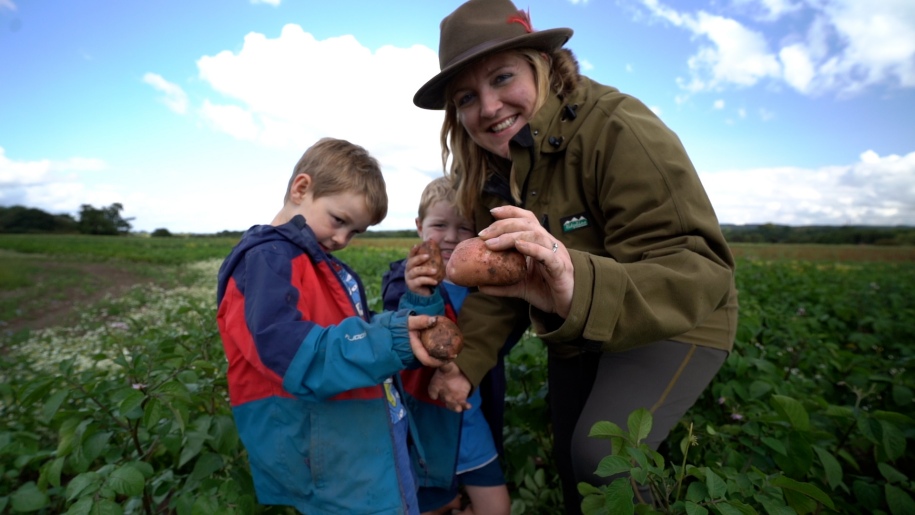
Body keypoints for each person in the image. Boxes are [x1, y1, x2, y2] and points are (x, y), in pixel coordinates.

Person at [412, 1, 740, 513]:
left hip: (677, 316)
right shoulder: (489, 171)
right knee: (571, 463)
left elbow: (694, 266)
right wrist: (464, 364)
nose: (490, 106)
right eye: (467, 97)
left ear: (541, 64)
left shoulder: (615, 127)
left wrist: (576, 284)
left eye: (503, 77)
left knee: (600, 455)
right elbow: (502, 287)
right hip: (579, 331)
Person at [215, 137, 450, 514]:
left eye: (355, 231)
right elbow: (291, 353)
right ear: (301, 188)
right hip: (334, 466)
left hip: (359, 450)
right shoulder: (267, 260)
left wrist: (414, 310)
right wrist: (387, 340)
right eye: (339, 221)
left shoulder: (316, 260)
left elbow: (350, 334)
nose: (342, 239)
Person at [382, 177, 512, 515]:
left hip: (471, 422)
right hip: (425, 428)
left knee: (497, 507)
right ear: (418, 227)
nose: (451, 237)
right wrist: (419, 291)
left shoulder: (483, 286)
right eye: (439, 225)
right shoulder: (403, 278)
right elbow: (405, 341)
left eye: (464, 227)